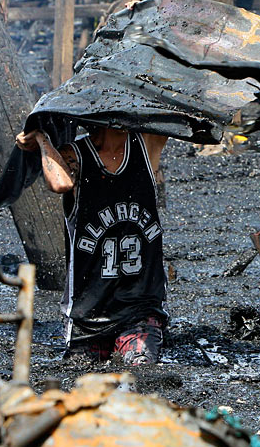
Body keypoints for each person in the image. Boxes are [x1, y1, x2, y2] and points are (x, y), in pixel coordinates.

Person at [16, 126, 168, 366]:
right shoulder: (75, 154)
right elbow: (59, 183)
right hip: (88, 314)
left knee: (142, 370)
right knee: (79, 376)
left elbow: (184, 119)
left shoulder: (146, 144)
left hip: (140, 308)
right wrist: (41, 138)